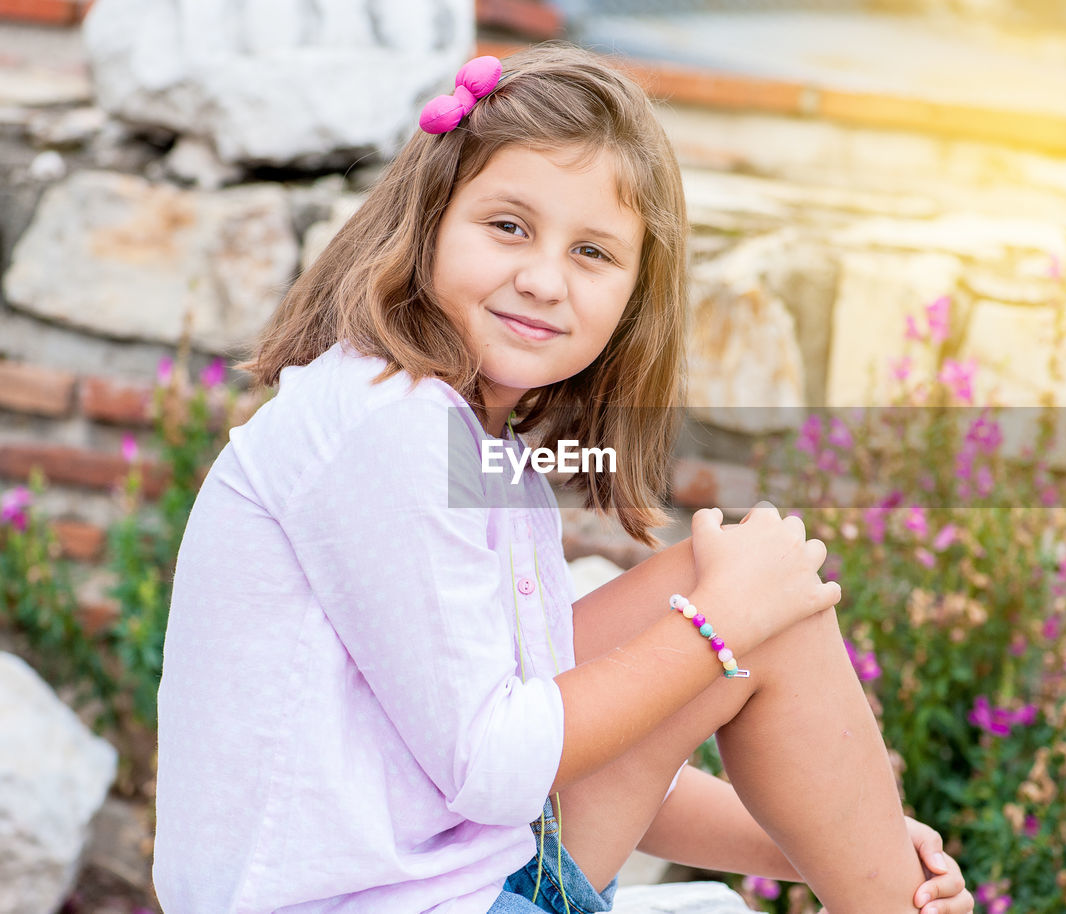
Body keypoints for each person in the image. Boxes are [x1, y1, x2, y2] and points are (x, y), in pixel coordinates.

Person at [151, 43, 974, 914]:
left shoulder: (462, 436)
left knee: (742, 591)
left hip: (428, 885)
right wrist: (718, 625)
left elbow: (579, 759)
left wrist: (838, 838)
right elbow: (498, 768)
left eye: (592, 252)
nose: (543, 280)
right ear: (430, 219)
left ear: (634, 294)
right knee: (742, 598)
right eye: (508, 226)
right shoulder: (389, 423)